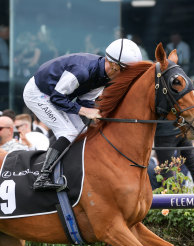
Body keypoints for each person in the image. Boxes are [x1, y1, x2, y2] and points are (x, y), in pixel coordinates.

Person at [23, 38, 142, 191]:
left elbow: (85, 102)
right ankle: (42, 177)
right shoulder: (82, 70)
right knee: (69, 132)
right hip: (38, 93)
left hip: (58, 95)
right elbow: (57, 98)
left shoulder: (104, 77)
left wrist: (102, 117)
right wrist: (86, 111)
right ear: (114, 65)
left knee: (84, 133)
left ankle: (73, 172)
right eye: (126, 72)